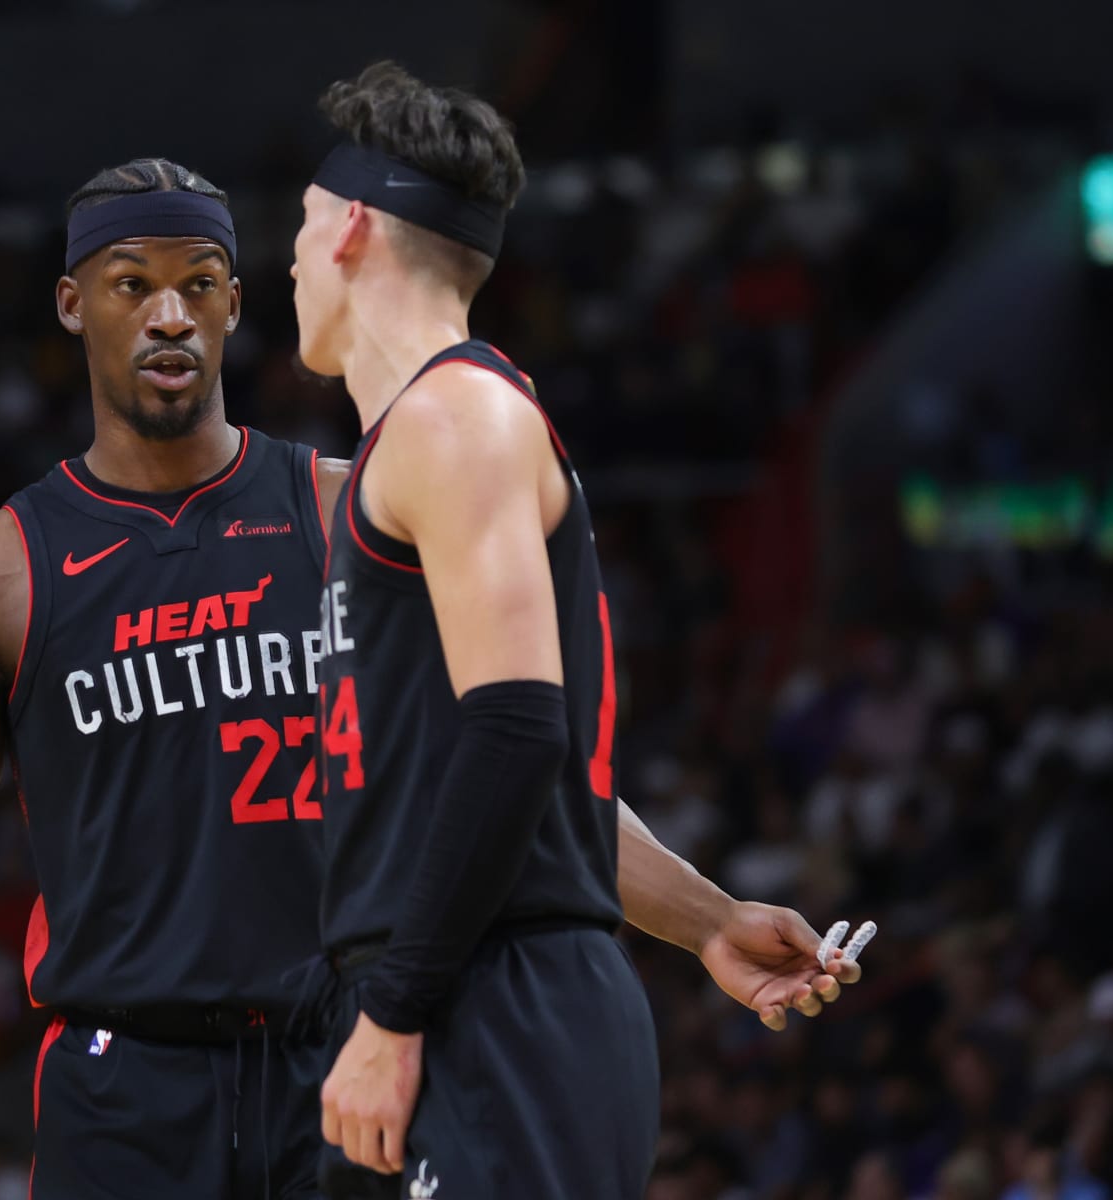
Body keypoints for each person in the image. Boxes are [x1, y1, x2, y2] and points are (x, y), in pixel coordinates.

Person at [0, 157, 857, 1199]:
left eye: (199, 287)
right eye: (133, 287)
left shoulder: (349, 511)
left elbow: (517, 758)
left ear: (234, 309)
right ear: (74, 306)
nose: (169, 315)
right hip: (125, 1087)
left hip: (349, 1058)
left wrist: (706, 922)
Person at [287, 61, 823, 1198]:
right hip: (453, 993)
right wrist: (710, 921)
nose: (284, 258)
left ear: (352, 231)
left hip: (482, 1009)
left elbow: (521, 732)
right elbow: (544, 784)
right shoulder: (421, 439)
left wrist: (393, 1012)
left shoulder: (455, 416)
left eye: (298, 223)